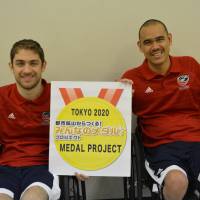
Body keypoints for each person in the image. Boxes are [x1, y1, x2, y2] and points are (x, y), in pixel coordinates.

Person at [121, 19, 200, 200]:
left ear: (169, 39)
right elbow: (115, 122)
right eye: (148, 42)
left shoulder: (190, 66)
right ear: (140, 46)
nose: (155, 46)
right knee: (177, 182)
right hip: (161, 147)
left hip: (197, 141)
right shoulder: (131, 78)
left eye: (160, 39)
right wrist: (120, 97)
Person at [0, 39, 88, 200]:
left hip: (43, 168)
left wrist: (124, 91)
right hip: (5, 168)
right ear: (11, 66)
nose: (27, 70)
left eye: (33, 63)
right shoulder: (1, 97)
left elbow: (89, 127)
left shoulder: (62, 97)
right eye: (20, 63)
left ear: (43, 65)